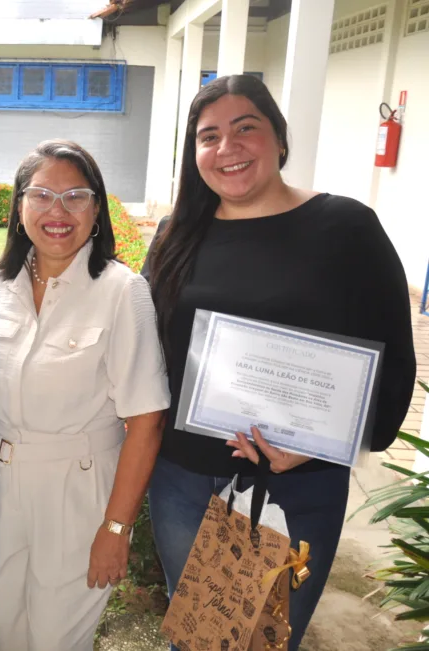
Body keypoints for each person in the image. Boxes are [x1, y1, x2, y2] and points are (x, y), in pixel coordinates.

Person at [142, 75, 416, 650]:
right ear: (194, 155)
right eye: (209, 136)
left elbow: (392, 364)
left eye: (246, 128)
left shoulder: (346, 229)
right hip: (183, 478)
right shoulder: (175, 235)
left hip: (292, 485)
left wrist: (318, 443)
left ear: (280, 140)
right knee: (194, 636)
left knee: (262, 641)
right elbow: (149, 353)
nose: (228, 148)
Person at [0, 139, 169, 650]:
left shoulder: (120, 292)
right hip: (3, 484)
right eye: (41, 195)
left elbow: (146, 420)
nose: (57, 212)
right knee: (6, 625)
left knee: (56, 641)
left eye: (76, 197)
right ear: (19, 208)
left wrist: (116, 527)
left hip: (80, 492)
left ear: (98, 210)